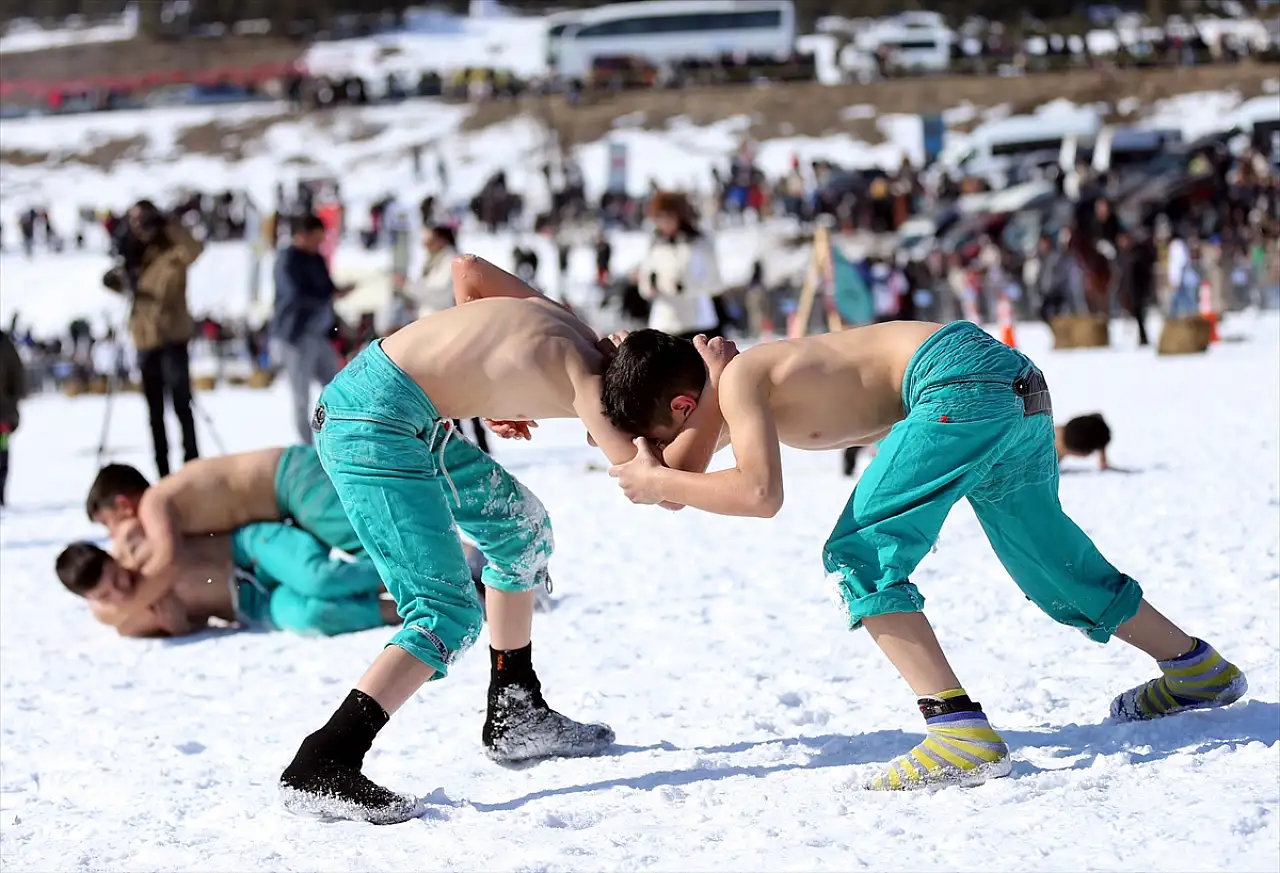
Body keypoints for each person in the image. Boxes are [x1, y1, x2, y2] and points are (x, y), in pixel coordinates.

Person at [603, 323, 1247, 791]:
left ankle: (958, 731)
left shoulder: (743, 377)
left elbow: (756, 494)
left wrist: (656, 477)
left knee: (858, 552)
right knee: (1051, 563)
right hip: (1007, 382)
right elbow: (683, 476)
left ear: (685, 406)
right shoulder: (743, 382)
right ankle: (1197, 669)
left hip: (956, 385)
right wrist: (650, 433)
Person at [280, 255, 731, 825]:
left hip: (395, 405)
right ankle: (323, 760)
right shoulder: (587, 380)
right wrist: (714, 387)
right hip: (373, 424)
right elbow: (662, 488)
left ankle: (516, 711)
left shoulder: (564, 320)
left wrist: (483, 379)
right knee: (443, 612)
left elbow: (467, 269)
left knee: (520, 531)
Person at [56, 529, 398, 639]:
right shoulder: (126, 621)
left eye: (115, 577)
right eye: (105, 594)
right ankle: (402, 609)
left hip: (251, 550)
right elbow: (192, 624)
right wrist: (180, 626)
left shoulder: (136, 542)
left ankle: (414, 572)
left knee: (318, 578)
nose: (120, 591)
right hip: (251, 604)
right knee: (312, 616)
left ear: (111, 557)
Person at [103, 200, 203, 477]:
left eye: (143, 219)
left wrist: (168, 223)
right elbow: (115, 282)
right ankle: (163, 473)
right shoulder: (132, 254)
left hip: (172, 336)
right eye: (134, 221)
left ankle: (192, 468)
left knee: (182, 405)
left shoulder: (172, 249)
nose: (139, 226)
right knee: (154, 412)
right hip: (145, 340)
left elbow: (195, 250)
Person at [400, 224, 489, 454]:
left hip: (449, 337)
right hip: (436, 336)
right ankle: (459, 446)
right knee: (451, 396)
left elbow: (441, 296)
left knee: (458, 394)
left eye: (429, 239)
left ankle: (473, 446)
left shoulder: (450, 261)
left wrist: (408, 287)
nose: (425, 244)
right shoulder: (434, 263)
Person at [272, 213, 354, 444]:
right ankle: (308, 445)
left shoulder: (316, 259)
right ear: (302, 235)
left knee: (336, 387)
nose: (319, 244)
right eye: (316, 238)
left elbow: (327, 288)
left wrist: (338, 292)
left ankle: (335, 436)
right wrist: (327, 295)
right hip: (296, 335)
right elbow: (294, 295)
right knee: (301, 395)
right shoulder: (287, 260)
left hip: (320, 334)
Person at [637, 192, 723, 341]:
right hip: (665, 323)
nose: (664, 222)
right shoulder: (656, 245)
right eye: (659, 218)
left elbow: (716, 284)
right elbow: (644, 282)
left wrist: (686, 288)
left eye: (668, 217)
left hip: (698, 322)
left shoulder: (699, 244)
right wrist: (652, 286)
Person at [0, 327, 26, 508]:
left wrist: (10, 403)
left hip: (2, 414)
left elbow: (18, 377)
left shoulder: (4, 345)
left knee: (1, 457)